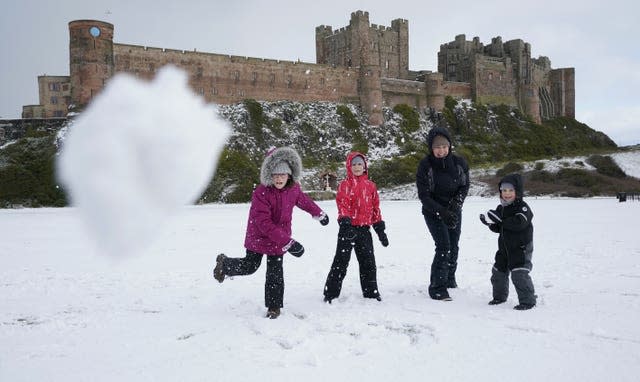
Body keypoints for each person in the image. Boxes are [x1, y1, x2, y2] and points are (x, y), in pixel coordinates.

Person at [212, 146, 330, 319]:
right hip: (259, 236)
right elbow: (263, 223)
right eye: (275, 175)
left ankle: (274, 307)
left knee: (275, 272)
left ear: (289, 175)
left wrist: (319, 213)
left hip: (279, 238)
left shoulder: (293, 189)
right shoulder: (261, 192)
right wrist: (289, 243)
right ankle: (224, 264)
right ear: (269, 175)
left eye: (282, 174)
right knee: (250, 266)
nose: (279, 178)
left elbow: (304, 201)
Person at [323, 152, 389, 304]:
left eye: (360, 164)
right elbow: (342, 205)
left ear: (365, 166)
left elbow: (375, 209)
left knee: (368, 263)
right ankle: (331, 293)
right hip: (348, 229)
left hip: (365, 230)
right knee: (341, 262)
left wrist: (380, 230)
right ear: (349, 167)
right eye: (354, 164)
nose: (357, 167)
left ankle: (371, 292)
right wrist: (346, 223)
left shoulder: (371, 186)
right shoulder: (345, 185)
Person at [416, 126, 469, 301]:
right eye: (437, 147)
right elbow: (424, 195)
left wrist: (456, 204)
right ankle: (437, 287)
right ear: (431, 148)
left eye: (444, 146)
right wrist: (441, 212)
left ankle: (449, 280)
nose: (441, 150)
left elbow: (464, 185)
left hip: (454, 210)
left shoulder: (459, 162)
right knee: (444, 246)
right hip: (433, 211)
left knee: (454, 245)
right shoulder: (425, 166)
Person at [480, 173, 537, 310]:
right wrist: (490, 223)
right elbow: (499, 228)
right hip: (504, 248)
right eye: (504, 190)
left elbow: (519, 223)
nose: (507, 193)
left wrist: (500, 220)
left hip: (520, 248)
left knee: (519, 274)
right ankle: (499, 297)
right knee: (498, 273)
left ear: (517, 192)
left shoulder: (523, 207)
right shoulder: (502, 209)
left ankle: (528, 301)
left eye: (511, 190)